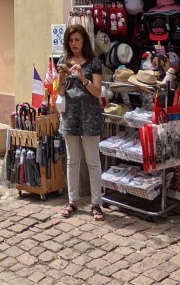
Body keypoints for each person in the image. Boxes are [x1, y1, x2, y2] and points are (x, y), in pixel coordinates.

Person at [58, 23, 105, 221]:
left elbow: (97, 92)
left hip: (90, 115)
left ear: (84, 40)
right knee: (72, 160)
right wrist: (61, 77)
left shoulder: (94, 62)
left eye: (77, 39)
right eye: (71, 40)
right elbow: (60, 92)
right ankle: (72, 201)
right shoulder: (63, 61)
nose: (74, 43)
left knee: (92, 161)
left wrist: (82, 78)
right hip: (70, 115)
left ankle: (97, 204)